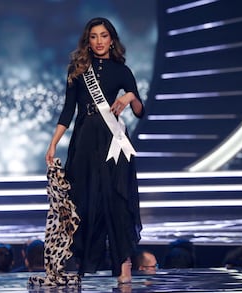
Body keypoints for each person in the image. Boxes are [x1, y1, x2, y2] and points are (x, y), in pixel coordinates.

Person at [45, 17, 144, 284]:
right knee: (82, 201)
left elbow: (139, 111)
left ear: (112, 39)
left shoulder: (122, 71)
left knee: (116, 202)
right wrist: (53, 142)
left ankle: (123, 264)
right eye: (93, 36)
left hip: (113, 143)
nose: (99, 41)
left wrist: (130, 96)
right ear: (87, 41)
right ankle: (79, 261)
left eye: (103, 36)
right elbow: (68, 110)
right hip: (85, 141)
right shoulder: (77, 70)